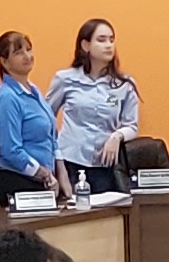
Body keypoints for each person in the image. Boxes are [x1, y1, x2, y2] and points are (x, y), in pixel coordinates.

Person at [48, 16, 140, 195]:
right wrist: (56, 153)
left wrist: (117, 136)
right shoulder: (65, 79)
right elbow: (46, 118)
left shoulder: (124, 84)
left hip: (105, 164)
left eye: (111, 40)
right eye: (101, 40)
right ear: (85, 45)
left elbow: (132, 125)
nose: (109, 45)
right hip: (70, 161)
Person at [0, 28, 59, 198]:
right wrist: (42, 173)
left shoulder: (34, 91)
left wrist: (59, 174)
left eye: (28, 49)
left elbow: (52, 138)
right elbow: (10, 149)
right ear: (4, 62)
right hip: (19, 180)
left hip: (45, 179)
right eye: (18, 53)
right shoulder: (7, 98)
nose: (27, 56)